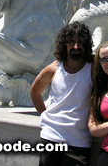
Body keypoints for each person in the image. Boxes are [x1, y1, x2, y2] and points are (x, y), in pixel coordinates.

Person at [30, 21, 94, 166]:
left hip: (79, 142)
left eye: (80, 42)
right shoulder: (54, 69)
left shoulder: (93, 69)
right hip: (51, 138)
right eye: (71, 42)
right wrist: (44, 114)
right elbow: (34, 91)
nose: (76, 47)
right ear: (64, 44)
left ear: (86, 45)